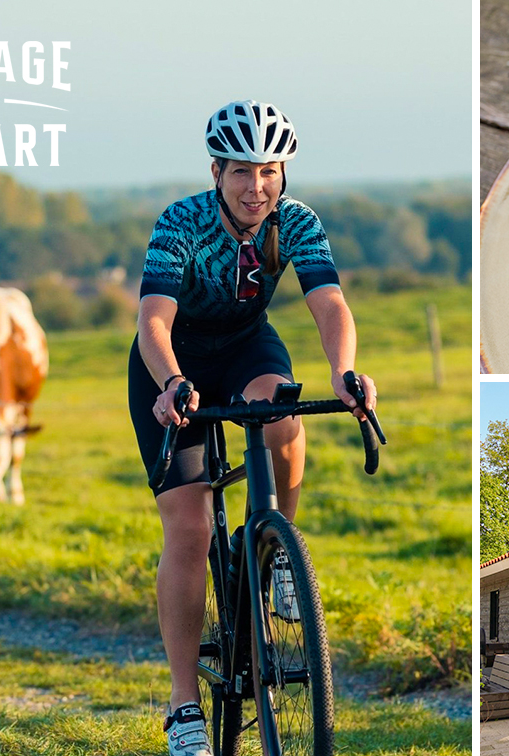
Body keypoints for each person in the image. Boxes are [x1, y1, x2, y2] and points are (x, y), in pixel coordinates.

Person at [128, 99, 376, 756]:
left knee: (281, 414)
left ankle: (274, 549)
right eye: (241, 171)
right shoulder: (180, 223)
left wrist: (344, 371)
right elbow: (152, 319)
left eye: (268, 171)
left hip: (245, 348)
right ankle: (185, 708)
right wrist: (172, 382)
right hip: (171, 364)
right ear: (217, 170)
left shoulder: (295, 223)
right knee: (187, 526)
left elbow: (330, 303)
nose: (255, 187)